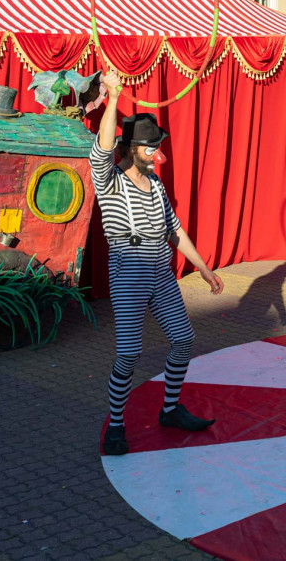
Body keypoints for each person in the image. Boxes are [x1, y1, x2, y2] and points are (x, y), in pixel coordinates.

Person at [92, 70, 225, 457]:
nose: (156, 153)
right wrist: (114, 98)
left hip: (160, 271)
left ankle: (169, 410)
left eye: (157, 146)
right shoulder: (110, 180)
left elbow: (174, 229)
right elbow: (102, 147)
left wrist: (201, 266)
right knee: (130, 353)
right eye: (150, 148)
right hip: (128, 269)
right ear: (133, 148)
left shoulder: (158, 186)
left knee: (183, 340)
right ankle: (116, 425)